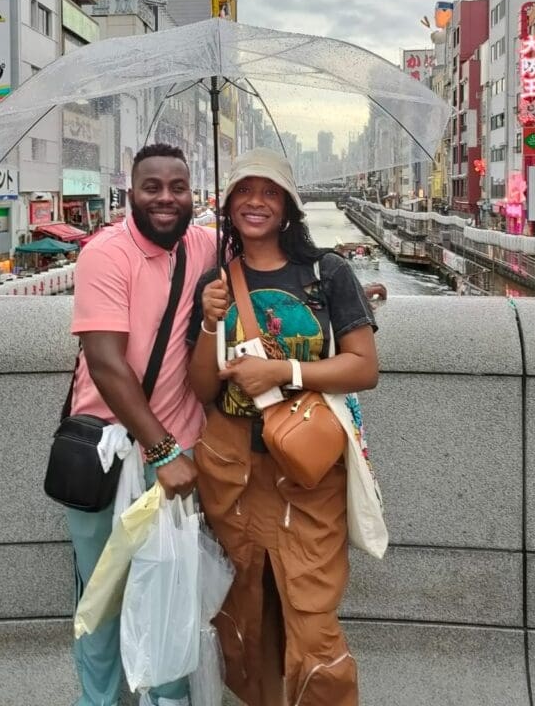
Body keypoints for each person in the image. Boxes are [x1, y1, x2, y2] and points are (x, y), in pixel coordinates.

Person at [187, 148, 379, 706]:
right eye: (244, 190)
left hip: (307, 472)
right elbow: (203, 390)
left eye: (269, 191)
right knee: (247, 611)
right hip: (233, 471)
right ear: (227, 206)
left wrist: (284, 370)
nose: (255, 201)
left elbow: (363, 366)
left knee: (312, 615)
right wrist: (207, 321)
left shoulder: (327, 273)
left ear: (289, 206)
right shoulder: (219, 281)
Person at [68, 143, 216, 706]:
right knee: (102, 596)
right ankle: (99, 701)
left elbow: (273, 255)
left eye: (177, 187)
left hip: (178, 454)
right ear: (131, 192)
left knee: (172, 593)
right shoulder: (106, 253)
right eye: (152, 187)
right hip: (110, 453)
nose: (165, 198)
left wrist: (340, 292)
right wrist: (162, 451)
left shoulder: (204, 245)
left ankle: (168, 699)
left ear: (192, 195)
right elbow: (105, 362)